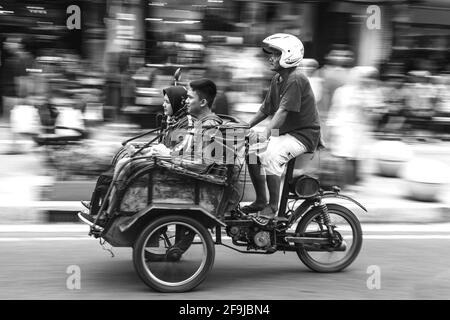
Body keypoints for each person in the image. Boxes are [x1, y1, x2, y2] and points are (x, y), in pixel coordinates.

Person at [242, 33, 322, 219]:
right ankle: (261, 200)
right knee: (252, 152)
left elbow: (282, 112)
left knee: (271, 155)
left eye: (276, 54)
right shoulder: (277, 79)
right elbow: (266, 109)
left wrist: (266, 135)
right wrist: (246, 126)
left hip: (303, 135)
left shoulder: (296, 79)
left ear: (288, 55)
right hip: (286, 132)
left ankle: (272, 207)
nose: (270, 58)